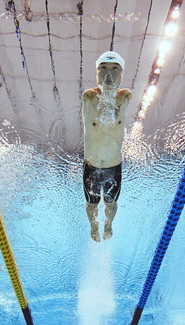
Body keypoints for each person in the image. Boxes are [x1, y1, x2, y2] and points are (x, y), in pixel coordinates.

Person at [82, 51, 132, 241]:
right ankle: (93, 225)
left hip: (113, 167)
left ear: (121, 74)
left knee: (111, 204)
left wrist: (113, 90)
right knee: (91, 204)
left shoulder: (125, 96)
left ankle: (108, 224)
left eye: (114, 69)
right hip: (91, 166)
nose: (107, 74)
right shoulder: (89, 97)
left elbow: (120, 92)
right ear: (96, 74)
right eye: (102, 69)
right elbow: (100, 91)